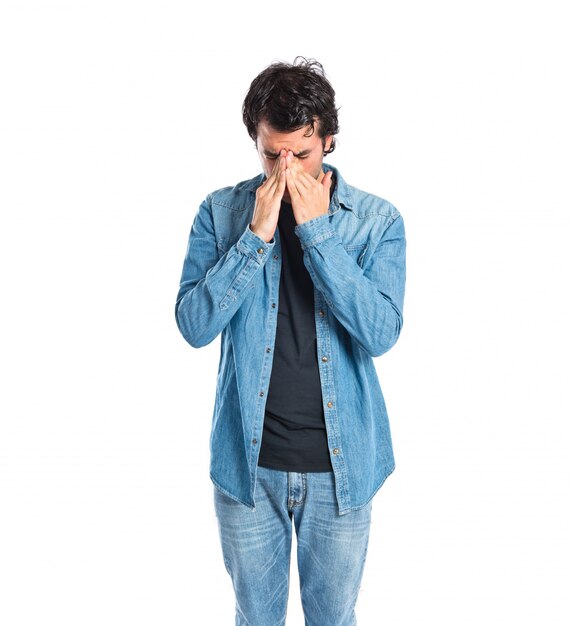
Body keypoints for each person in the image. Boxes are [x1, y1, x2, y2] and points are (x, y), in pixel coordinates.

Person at [174, 56, 406, 625]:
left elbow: (381, 333)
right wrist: (255, 238)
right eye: (270, 153)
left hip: (342, 469)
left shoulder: (377, 222)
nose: (284, 169)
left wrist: (318, 234)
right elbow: (193, 326)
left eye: (300, 154)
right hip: (248, 470)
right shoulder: (222, 212)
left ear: (328, 141)